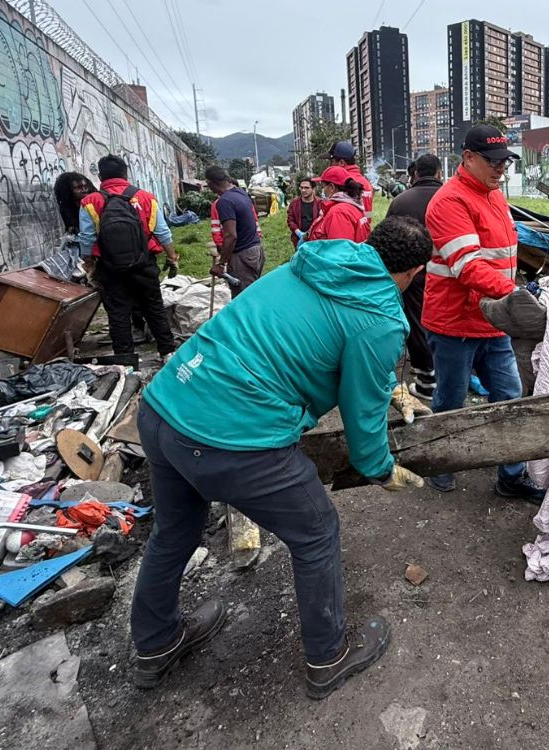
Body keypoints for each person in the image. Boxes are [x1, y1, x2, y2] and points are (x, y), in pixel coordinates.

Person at [129, 215, 433, 697]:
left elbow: (309, 338)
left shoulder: (314, 261)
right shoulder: (380, 316)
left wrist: (385, 385)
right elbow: (361, 415)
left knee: (174, 531)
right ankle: (328, 657)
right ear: (417, 272)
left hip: (165, 407)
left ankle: (155, 643)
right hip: (233, 439)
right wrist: (381, 469)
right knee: (316, 532)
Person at [422, 125, 545, 502]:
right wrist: (516, 294)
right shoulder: (449, 202)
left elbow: (502, 257)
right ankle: (440, 462)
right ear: (468, 158)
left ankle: (510, 476)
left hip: (494, 321)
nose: (500, 169)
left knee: (509, 397)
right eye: (492, 162)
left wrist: (522, 289)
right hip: (454, 323)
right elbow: (467, 266)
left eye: (504, 162)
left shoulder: (494, 197)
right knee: (451, 400)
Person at [78, 155, 178, 359]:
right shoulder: (146, 198)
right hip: (144, 263)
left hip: (110, 267)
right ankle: (167, 352)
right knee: (153, 307)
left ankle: (126, 361)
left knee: (118, 313)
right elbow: (162, 232)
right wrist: (172, 256)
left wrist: (89, 265)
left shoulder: (90, 202)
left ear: (100, 175)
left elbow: (87, 239)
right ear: (125, 173)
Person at [386, 154, 444, 401]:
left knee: (418, 323)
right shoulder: (453, 196)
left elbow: (389, 238)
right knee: (448, 321)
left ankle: (426, 380)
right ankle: (449, 374)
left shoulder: (400, 201)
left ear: (416, 174)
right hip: (451, 272)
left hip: (414, 273)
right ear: (440, 173)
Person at [205, 165, 265, 296]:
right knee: (253, 292)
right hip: (256, 250)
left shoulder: (225, 201)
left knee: (244, 299)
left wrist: (221, 264)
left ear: (210, 183)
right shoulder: (240, 193)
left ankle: (252, 317)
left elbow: (231, 235)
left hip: (243, 256)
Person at [307, 166, 370, 243]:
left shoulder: (338, 212)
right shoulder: (354, 205)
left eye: (323, 187)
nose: (322, 191)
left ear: (331, 187)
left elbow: (339, 250)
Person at [326, 140, 373, 215]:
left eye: (331, 162)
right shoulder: (366, 182)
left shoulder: (343, 182)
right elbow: (369, 213)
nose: (329, 166)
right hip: (364, 225)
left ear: (341, 162)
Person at [286, 177, 322, 247]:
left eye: (306, 188)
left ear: (313, 189)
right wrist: (298, 233)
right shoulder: (294, 203)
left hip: (315, 239)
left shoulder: (320, 203)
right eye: (301, 188)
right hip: (298, 238)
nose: (303, 190)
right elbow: (290, 220)